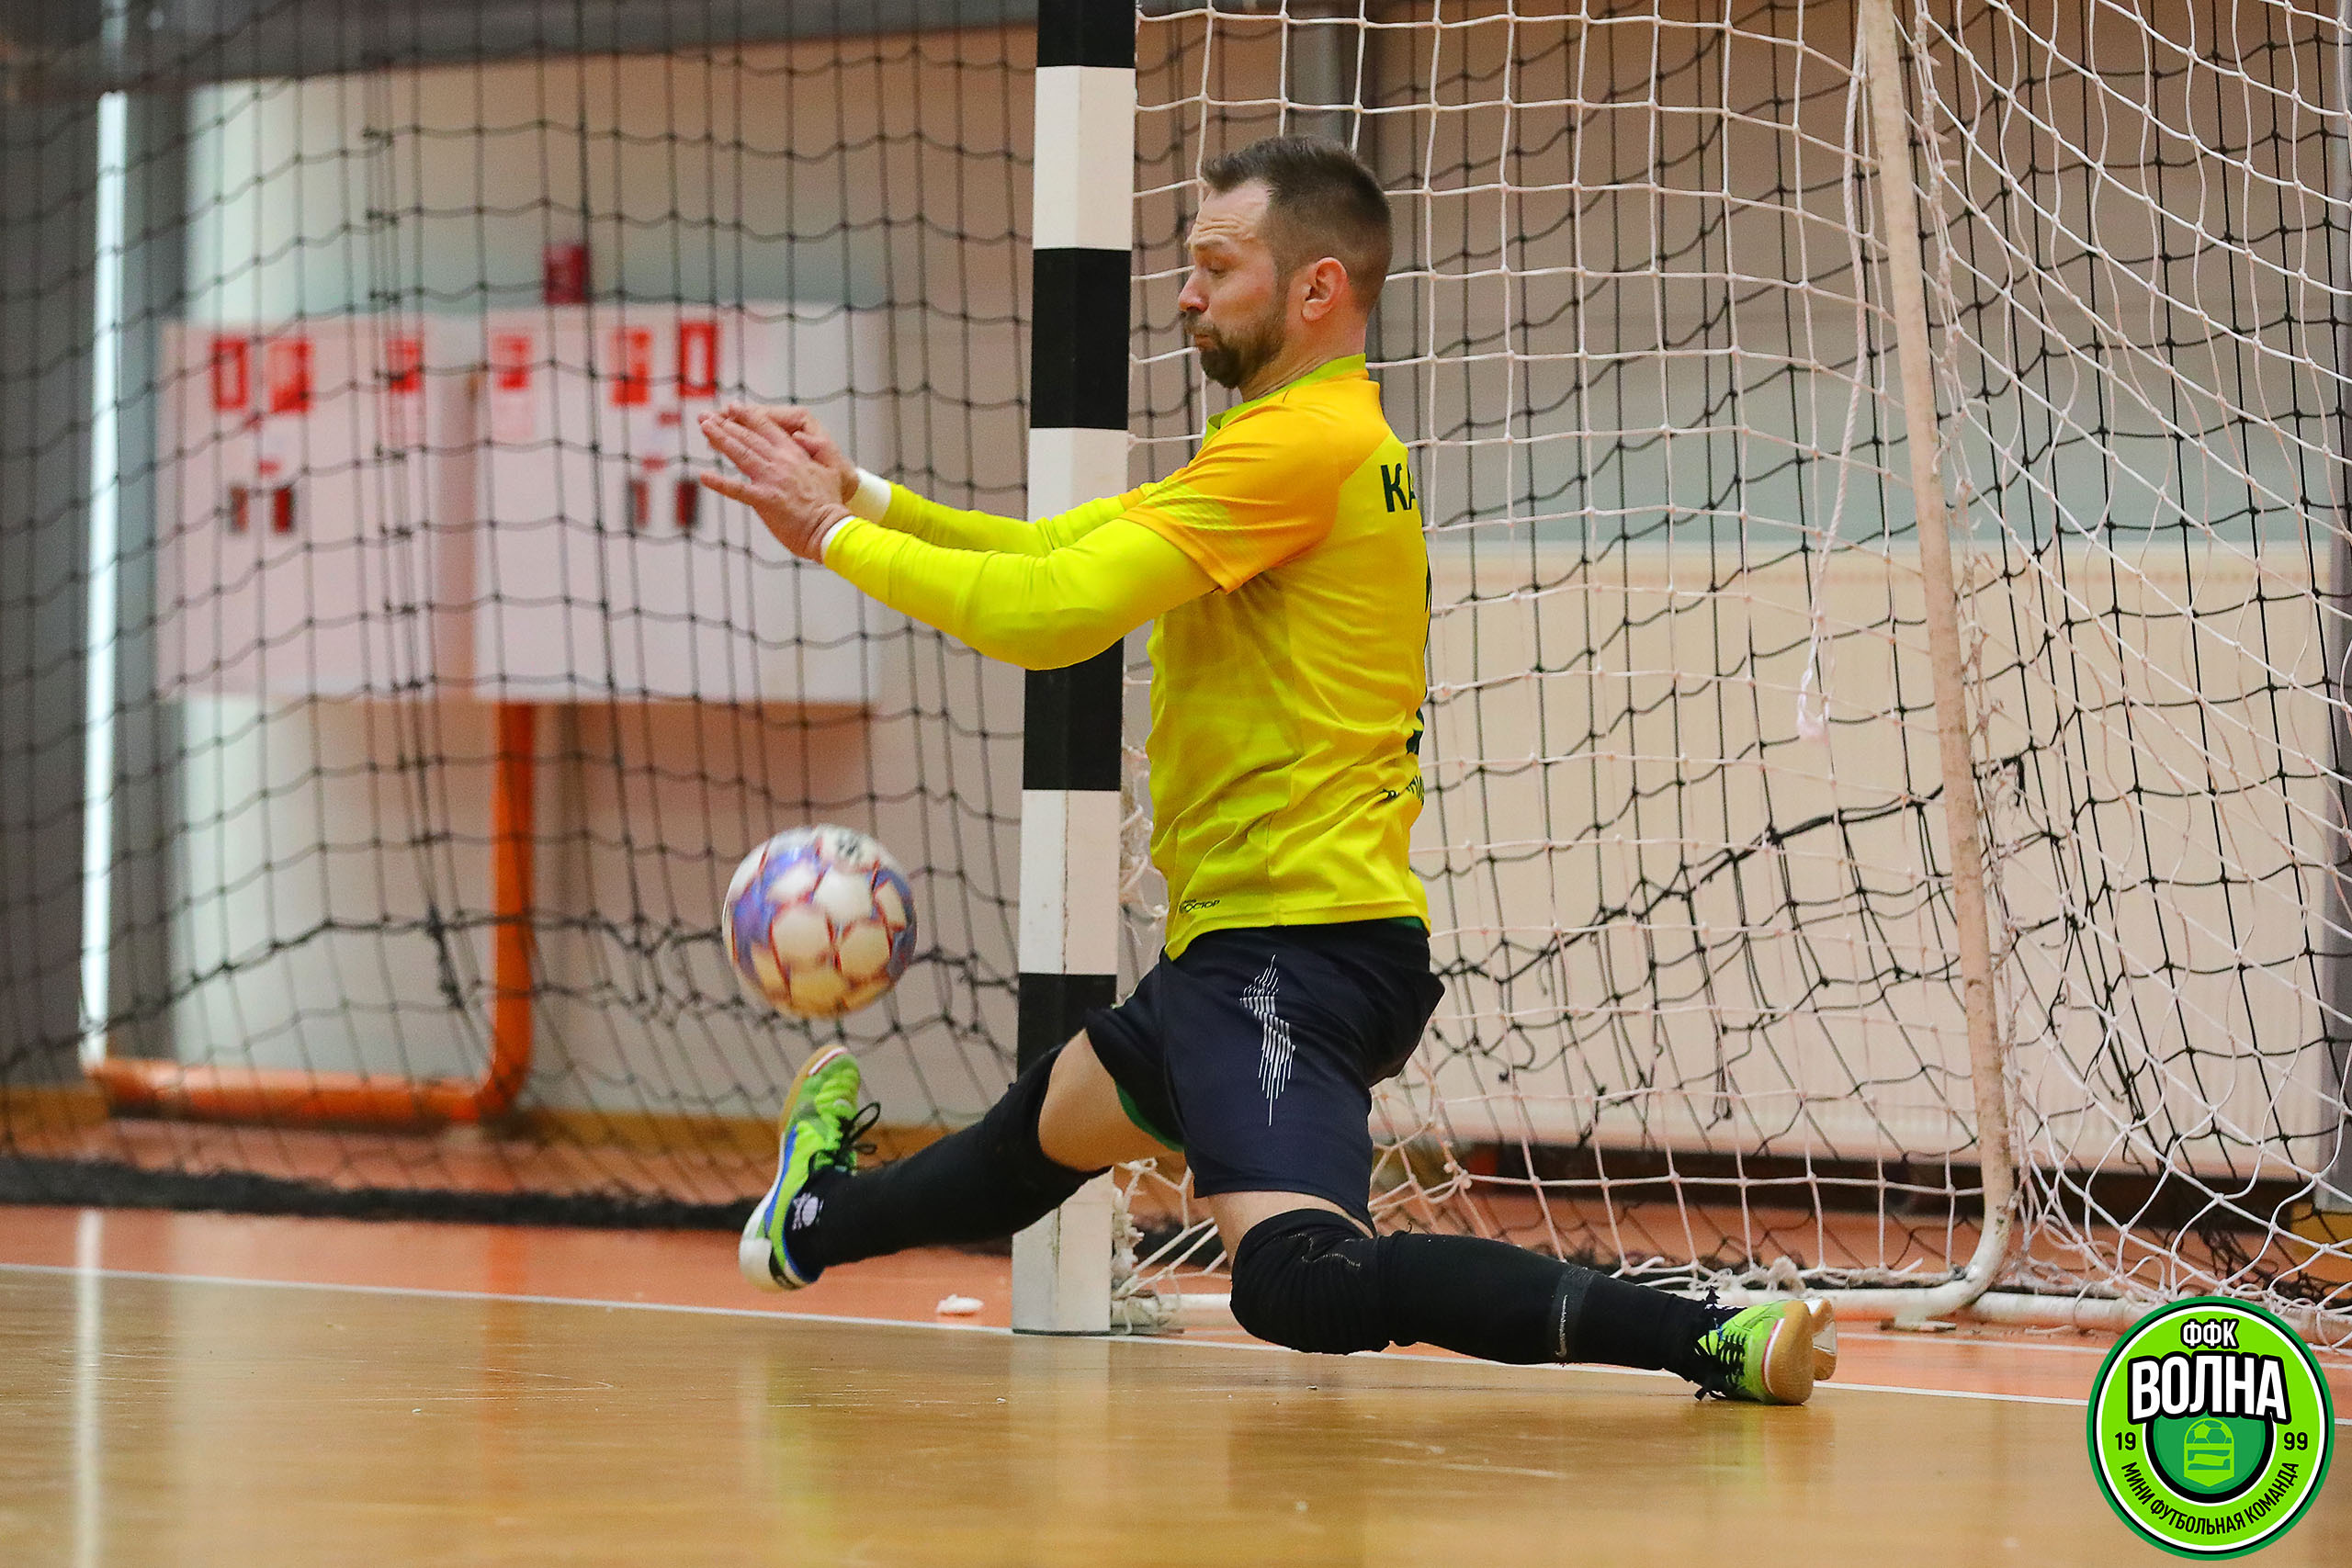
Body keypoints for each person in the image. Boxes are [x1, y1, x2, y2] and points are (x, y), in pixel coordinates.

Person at [697, 135, 1829, 1404]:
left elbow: (1051, 618)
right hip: (1240, 944)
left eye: (1216, 266)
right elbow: (1053, 548)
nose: (1187, 293)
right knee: (1045, 1136)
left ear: (1317, 290)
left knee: (1298, 1281)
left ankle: (1700, 1329)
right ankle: (809, 1224)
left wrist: (831, 534)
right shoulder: (1280, 440)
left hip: (1294, 952)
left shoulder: (1298, 449)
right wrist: (866, 495)